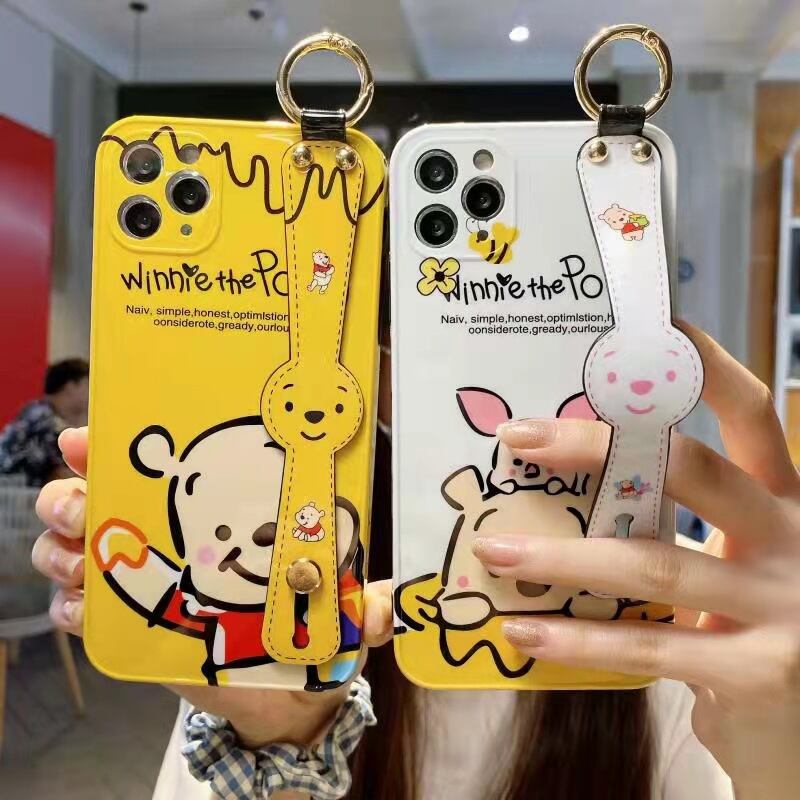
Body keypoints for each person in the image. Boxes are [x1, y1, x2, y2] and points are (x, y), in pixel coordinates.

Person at [32, 324, 800, 799]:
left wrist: (780, 771)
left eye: (559, 316)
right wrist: (280, 738)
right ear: (377, 369)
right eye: (452, 318)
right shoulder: (286, 602)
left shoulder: (692, 620)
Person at [0, 358, 89, 487]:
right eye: (87, 385)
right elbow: (63, 474)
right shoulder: (43, 419)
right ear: (70, 387)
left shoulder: (37, 411)